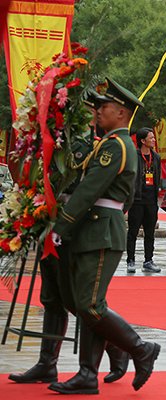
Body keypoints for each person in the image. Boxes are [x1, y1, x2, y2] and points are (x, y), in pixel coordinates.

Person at [8, 93, 128, 386]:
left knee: (78, 299)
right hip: (49, 218)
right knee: (52, 295)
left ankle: (117, 346)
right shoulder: (53, 141)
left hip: (72, 225)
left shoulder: (92, 145)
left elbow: (86, 189)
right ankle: (47, 363)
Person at [50, 78, 161, 394]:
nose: (98, 111)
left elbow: (90, 189)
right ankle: (88, 373)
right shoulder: (110, 143)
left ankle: (140, 348)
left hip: (101, 230)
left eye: (104, 106)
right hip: (95, 228)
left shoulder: (116, 145)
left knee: (90, 305)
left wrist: (62, 225)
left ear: (122, 113)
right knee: (86, 303)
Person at [126, 127, 161, 273]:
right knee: (133, 232)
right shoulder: (134, 156)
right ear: (142, 141)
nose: (153, 140)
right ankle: (130, 260)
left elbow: (157, 177)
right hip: (137, 199)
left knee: (150, 232)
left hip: (151, 200)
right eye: (151, 138)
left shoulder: (156, 157)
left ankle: (148, 260)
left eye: (153, 137)